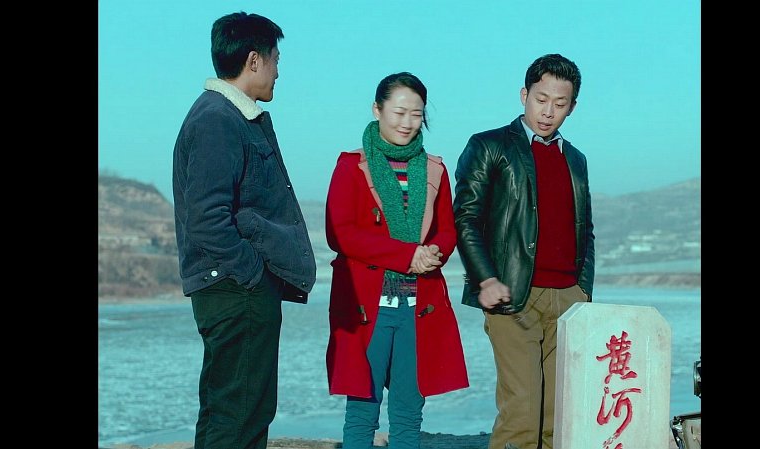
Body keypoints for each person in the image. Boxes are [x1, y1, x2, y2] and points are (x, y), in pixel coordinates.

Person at [171, 11, 316, 449]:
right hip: (237, 290)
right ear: (254, 60)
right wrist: (252, 274)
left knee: (230, 411)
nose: (278, 71)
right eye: (275, 59)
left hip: (233, 288)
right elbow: (206, 216)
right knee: (241, 416)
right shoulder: (218, 119)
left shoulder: (225, 115)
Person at [453, 53, 595, 449]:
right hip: (513, 293)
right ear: (524, 95)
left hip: (569, 300)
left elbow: (586, 228)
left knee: (559, 416)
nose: (548, 112)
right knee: (522, 413)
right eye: (541, 99)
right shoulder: (490, 145)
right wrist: (486, 278)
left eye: (559, 104)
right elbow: (465, 217)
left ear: (572, 107)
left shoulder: (576, 159)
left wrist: (583, 292)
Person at [324, 72, 469, 449]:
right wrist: (408, 256)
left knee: (408, 411)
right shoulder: (351, 166)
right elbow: (340, 233)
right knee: (363, 409)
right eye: (399, 112)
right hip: (366, 305)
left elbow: (447, 229)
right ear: (377, 109)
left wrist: (434, 252)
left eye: (416, 115)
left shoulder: (434, 169)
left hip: (418, 307)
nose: (407, 123)